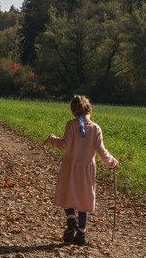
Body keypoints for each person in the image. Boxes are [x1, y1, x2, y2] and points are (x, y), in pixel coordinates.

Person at [43, 95, 119, 245]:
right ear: (90, 110)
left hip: (71, 167)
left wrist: (52, 139)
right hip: (86, 170)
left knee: (68, 194)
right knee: (84, 200)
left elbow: (64, 146)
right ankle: (82, 233)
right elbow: (101, 151)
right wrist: (112, 162)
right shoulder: (96, 128)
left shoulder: (71, 125)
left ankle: (71, 220)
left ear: (73, 112)